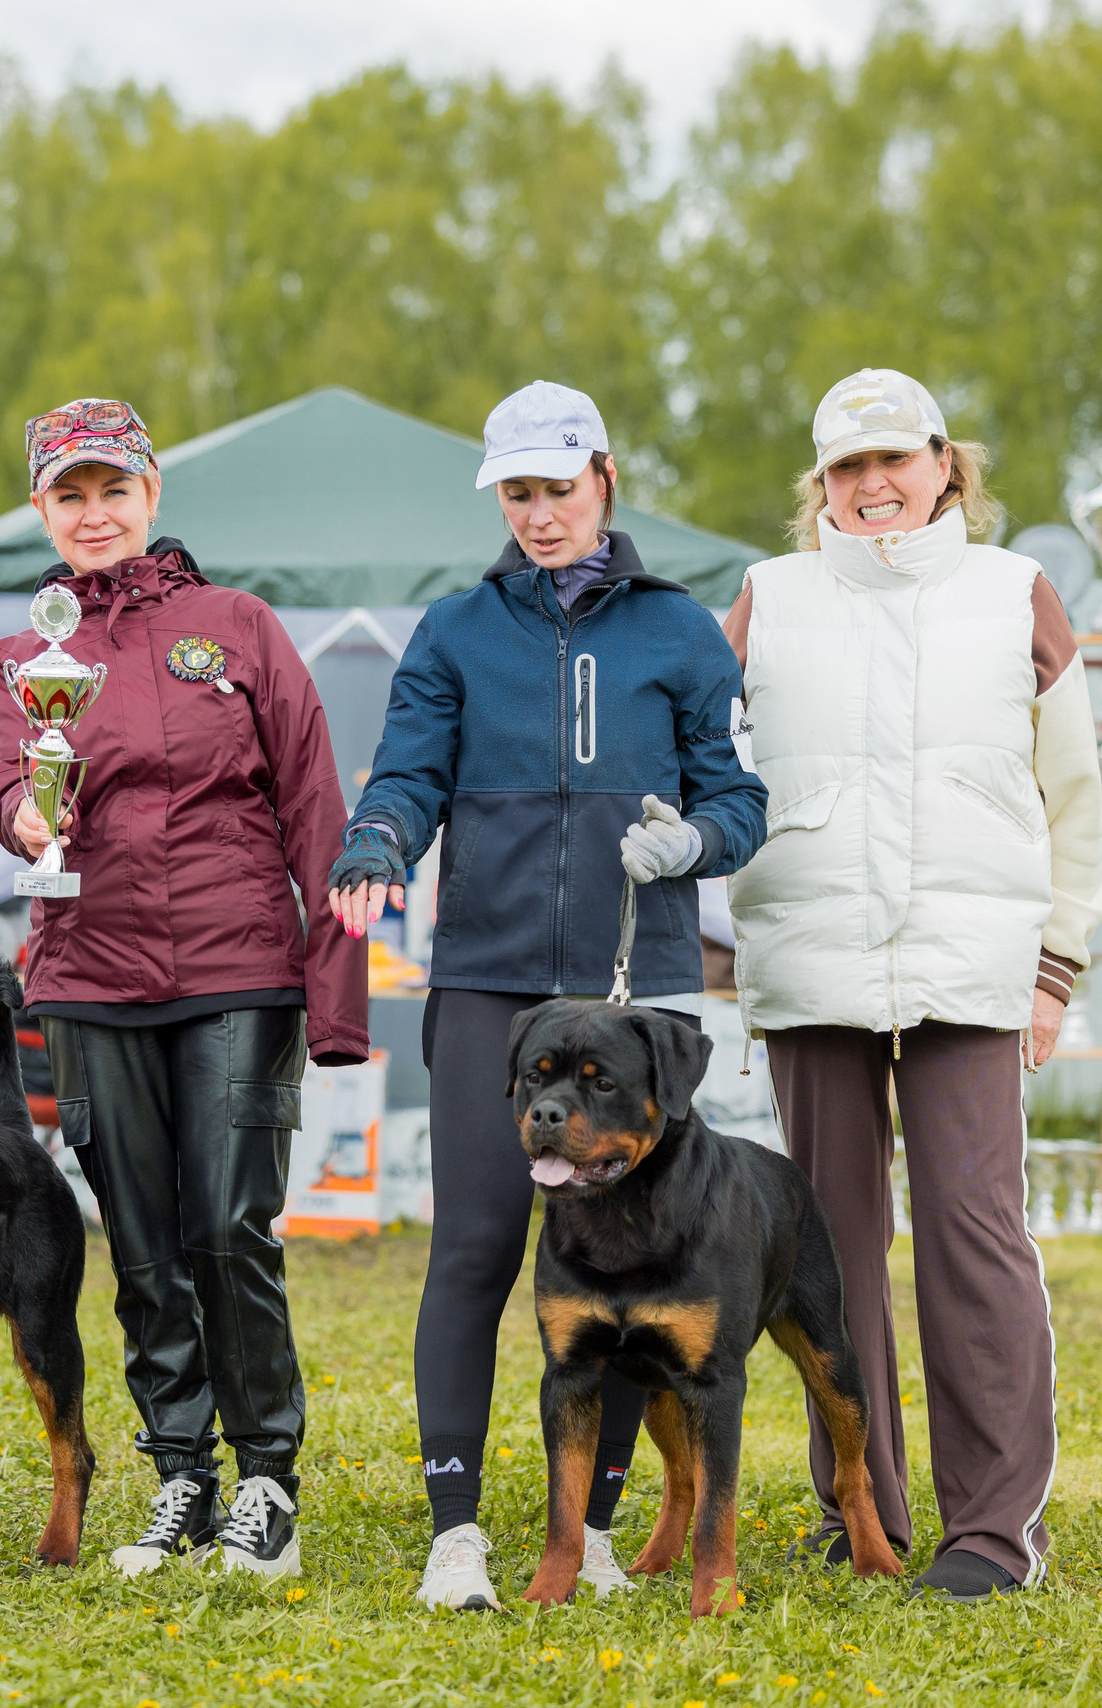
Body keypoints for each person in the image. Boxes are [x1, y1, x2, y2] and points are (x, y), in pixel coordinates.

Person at [326, 381, 766, 1609]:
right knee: (472, 1249)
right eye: (515, 493)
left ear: (604, 480)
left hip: (642, 995)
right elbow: (406, 776)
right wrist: (376, 842)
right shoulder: (455, 630)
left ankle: (601, 1527)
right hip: (489, 983)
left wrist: (692, 843)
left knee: (635, 1265)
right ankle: (455, 1530)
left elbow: (739, 800)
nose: (537, 514)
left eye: (556, 489)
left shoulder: (680, 631)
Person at [722, 368, 1102, 1603]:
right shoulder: (766, 599)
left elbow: (1075, 796)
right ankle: (862, 1511)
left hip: (972, 961)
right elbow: (708, 768)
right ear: (820, 484)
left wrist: (1055, 966)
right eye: (848, 466)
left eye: (895, 458)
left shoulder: (1013, 591)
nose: (874, 484)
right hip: (812, 961)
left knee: (973, 1236)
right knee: (826, 1250)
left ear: (945, 465)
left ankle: (991, 1531)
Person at [0, 398, 366, 1580]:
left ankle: (266, 1480)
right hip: (88, 975)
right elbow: (7, 791)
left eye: (114, 489)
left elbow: (314, 804)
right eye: (69, 494)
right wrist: (26, 812)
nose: (93, 513)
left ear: (150, 494)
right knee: (141, 1244)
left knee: (228, 1226)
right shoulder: (19, 656)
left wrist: (335, 999)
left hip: (237, 967)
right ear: (40, 508)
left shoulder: (237, 625)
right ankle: (181, 1475)